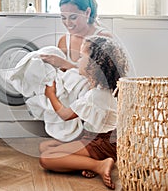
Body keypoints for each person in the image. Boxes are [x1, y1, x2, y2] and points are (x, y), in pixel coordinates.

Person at [38, 35, 129, 189]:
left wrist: (51, 94)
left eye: (81, 57)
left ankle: (98, 165)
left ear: (93, 65)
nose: (78, 61)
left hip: (101, 143)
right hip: (105, 141)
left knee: (45, 158)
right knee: (46, 146)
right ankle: (91, 163)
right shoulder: (108, 88)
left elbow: (65, 115)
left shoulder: (96, 95)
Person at [40, 0, 112, 71]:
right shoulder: (64, 41)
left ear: (87, 13)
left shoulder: (103, 38)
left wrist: (64, 63)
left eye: (73, 17)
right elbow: (61, 77)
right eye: (63, 17)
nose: (68, 23)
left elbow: (104, 78)